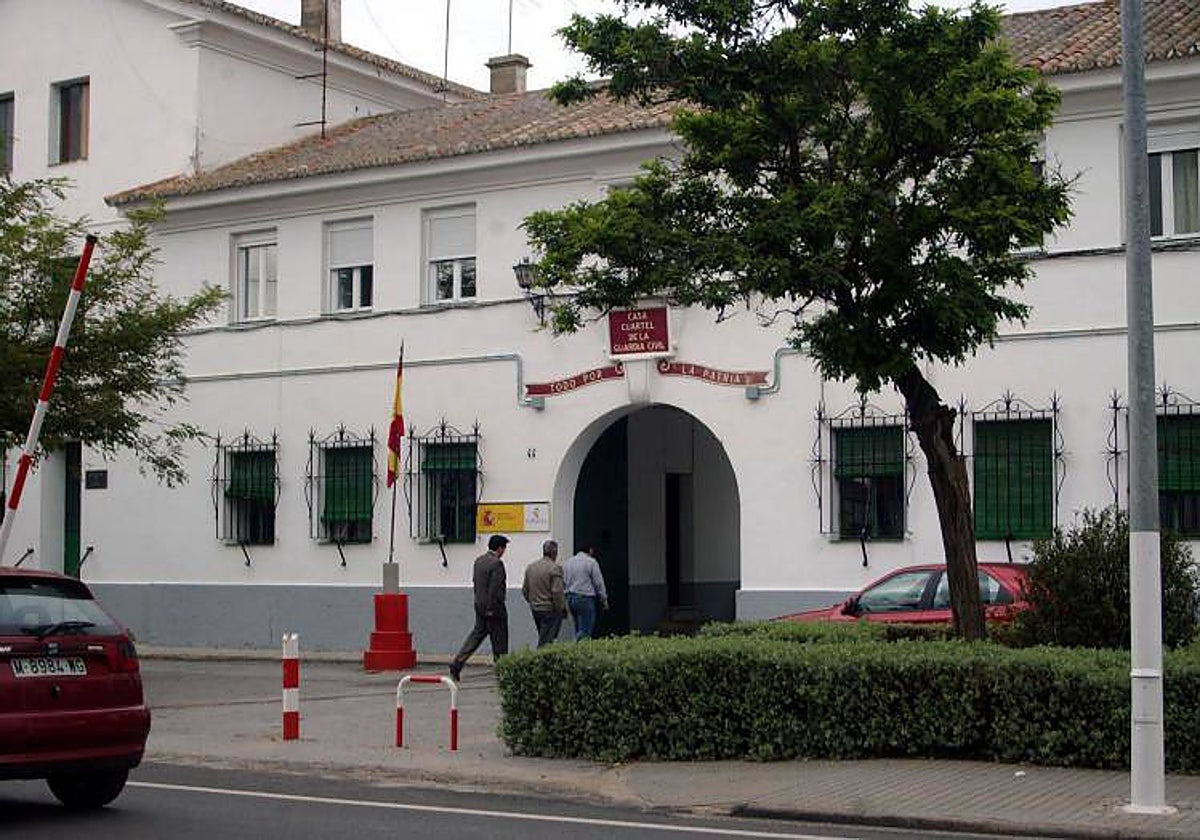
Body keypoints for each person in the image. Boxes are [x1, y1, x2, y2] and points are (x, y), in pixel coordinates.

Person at [449, 534, 509, 681]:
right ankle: (503, 672)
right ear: (500, 548)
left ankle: (457, 663)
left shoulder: (479, 561)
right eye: (504, 548)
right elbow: (495, 590)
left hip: (479, 606)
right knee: (500, 641)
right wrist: (492, 608)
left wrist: (481, 605)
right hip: (494, 609)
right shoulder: (497, 564)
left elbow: (476, 583)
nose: (504, 551)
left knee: (476, 636)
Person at [521, 539, 566, 648]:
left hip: (535, 609)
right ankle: (539, 661)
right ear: (555, 553)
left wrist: (532, 602)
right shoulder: (555, 568)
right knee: (547, 640)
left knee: (543, 636)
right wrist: (560, 609)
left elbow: (525, 589)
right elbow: (557, 592)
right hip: (550, 610)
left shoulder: (531, 567)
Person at [562, 545, 608, 640]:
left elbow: (564, 581)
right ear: (590, 550)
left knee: (578, 628)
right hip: (585, 599)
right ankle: (574, 645)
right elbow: (598, 582)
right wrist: (604, 599)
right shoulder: (591, 562)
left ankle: (577, 651)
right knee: (586, 631)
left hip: (570, 598)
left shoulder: (568, 562)